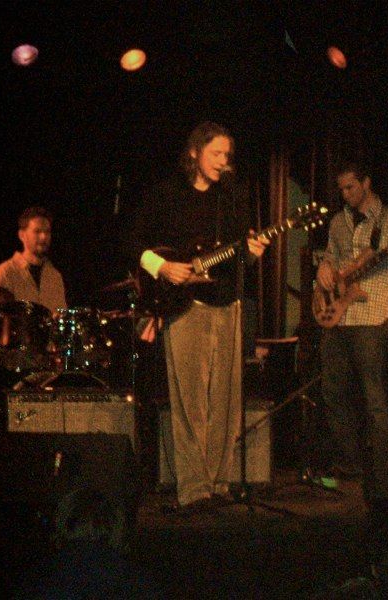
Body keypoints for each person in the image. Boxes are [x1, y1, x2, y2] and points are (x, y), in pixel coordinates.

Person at [130, 121, 268, 511]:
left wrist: (253, 253)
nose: (223, 161)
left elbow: (239, 255)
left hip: (228, 303)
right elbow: (132, 240)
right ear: (195, 152)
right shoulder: (167, 194)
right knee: (191, 402)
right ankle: (193, 489)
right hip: (185, 306)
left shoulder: (233, 198)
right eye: (216, 153)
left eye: (227, 155)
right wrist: (162, 267)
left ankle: (220, 482)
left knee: (226, 401)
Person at [315, 161, 388, 479]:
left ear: (366, 183)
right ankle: (351, 461)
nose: (345, 194)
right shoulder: (338, 221)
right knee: (333, 391)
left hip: (371, 315)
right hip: (338, 316)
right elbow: (331, 256)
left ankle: (384, 466)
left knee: (373, 393)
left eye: (350, 187)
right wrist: (324, 268)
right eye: (341, 189)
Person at [0, 206, 66, 312]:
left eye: (47, 231)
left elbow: (60, 316)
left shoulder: (55, 277)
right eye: (37, 231)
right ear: (22, 235)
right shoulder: (5, 273)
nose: (44, 236)